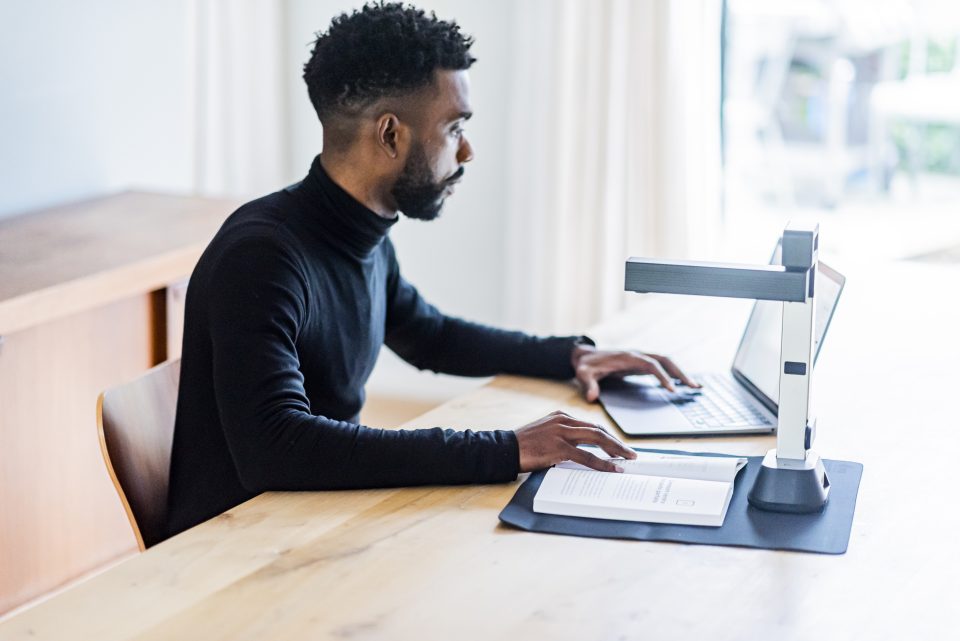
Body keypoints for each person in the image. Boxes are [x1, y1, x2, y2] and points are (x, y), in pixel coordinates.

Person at [165, 2, 698, 538]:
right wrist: (506, 448)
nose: (466, 151)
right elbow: (276, 450)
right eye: (454, 127)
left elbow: (431, 337)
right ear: (391, 135)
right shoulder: (263, 258)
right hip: (237, 550)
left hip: (312, 520)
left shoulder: (360, 231)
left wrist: (570, 355)